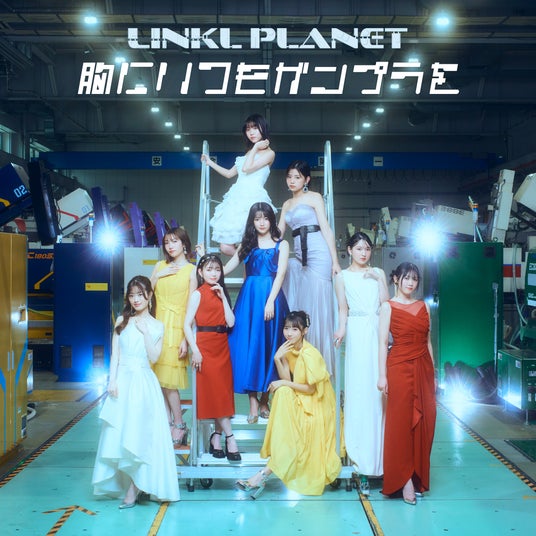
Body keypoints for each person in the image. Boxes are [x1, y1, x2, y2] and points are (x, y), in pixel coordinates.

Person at [92, 276, 180, 508]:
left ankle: (135, 487)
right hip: (122, 382)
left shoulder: (157, 325)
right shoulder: (122, 320)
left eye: (140, 295)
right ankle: (132, 484)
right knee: (120, 433)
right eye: (132, 295)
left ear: (149, 296)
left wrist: (146, 332)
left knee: (140, 435)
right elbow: (115, 354)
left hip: (143, 382)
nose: (136, 299)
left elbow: (154, 357)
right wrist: (112, 380)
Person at [236, 311, 341, 498]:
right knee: (283, 392)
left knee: (283, 391)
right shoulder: (288, 350)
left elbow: (310, 389)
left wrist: (283, 383)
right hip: (302, 397)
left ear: (305, 331)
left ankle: (262, 474)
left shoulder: (310, 354)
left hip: (317, 403)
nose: (289, 333)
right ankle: (263, 474)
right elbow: (287, 381)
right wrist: (278, 359)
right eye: (286, 328)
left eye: (295, 329)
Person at [334, 232, 389, 494]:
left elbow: (386, 304)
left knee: (378, 393)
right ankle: (360, 461)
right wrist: (341, 328)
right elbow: (342, 309)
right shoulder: (341, 277)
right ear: (349, 250)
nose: (364, 253)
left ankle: (382, 461)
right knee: (358, 391)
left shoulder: (378, 272)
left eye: (367, 248)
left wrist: (379, 279)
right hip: (356, 332)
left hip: (377, 329)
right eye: (359, 248)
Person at [224, 202, 290, 423]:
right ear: (252, 221)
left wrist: (270, 302)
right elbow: (227, 267)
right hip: (249, 300)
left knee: (271, 346)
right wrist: (206, 265)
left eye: (265, 218)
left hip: (272, 298)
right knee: (248, 347)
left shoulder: (282, 244)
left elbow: (280, 274)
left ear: (271, 220)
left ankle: (264, 400)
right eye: (257, 219)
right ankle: (253, 403)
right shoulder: (247, 244)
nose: (262, 223)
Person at [377, 262, 436, 505]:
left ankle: (417, 473)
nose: (411, 283)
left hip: (423, 367)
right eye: (406, 278)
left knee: (426, 421)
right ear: (396, 280)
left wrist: (433, 373)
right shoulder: (387, 307)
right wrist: (382, 375)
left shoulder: (423, 306)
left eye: (415, 279)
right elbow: (383, 343)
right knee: (400, 424)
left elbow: (428, 341)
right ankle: (404, 480)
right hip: (399, 367)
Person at [278, 160, 341, 376]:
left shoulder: (314, 197)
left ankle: (319, 366)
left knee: (318, 302)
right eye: (289, 177)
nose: (292, 181)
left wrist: (335, 260)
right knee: (299, 298)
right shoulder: (286, 204)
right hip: (299, 256)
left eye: (297, 177)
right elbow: (278, 234)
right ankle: (301, 363)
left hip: (318, 252)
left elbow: (326, 229)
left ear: (306, 180)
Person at [183, 254, 241, 461]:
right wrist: (195, 350)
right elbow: (186, 324)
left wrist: (224, 297)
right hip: (205, 346)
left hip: (222, 345)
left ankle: (216, 437)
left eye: (217, 269)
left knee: (223, 393)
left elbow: (231, 322)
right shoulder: (197, 294)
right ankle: (230, 438)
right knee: (215, 392)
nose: (214, 273)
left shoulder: (222, 292)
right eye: (209, 269)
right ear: (200, 272)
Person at [201, 113, 276, 256]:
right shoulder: (248, 153)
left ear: (263, 128)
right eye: (248, 129)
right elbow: (229, 174)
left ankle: (255, 265)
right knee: (225, 246)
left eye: (255, 128)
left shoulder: (270, 153)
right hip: (236, 199)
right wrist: (209, 162)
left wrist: (255, 148)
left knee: (254, 241)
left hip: (254, 198)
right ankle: (251, 261)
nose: (251, 132)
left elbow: (247, 168)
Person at [150, 227, 197, 447]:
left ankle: (179, 424)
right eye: (167, 242)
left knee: (169, 382)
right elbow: (145, 293)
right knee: (158, 380)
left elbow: (191, 307)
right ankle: (166, 423)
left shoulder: (192, 270)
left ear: (184, 244)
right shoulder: (160, 266)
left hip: (177, 328)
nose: (170, 246)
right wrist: (158, 275)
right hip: (157, 326)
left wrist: (186, 339)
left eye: (174, 241)